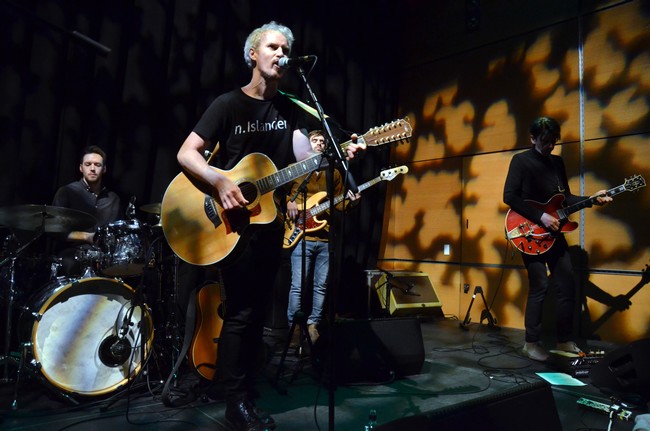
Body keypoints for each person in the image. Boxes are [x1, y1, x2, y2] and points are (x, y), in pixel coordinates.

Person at [175, 22, 364, 431]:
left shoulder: (294, 108)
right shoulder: (228, 105)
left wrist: (341, 154)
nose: (281, 53)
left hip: (267, 223)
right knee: (242, 313)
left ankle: (236, 390)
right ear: (253, 55)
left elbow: (301, 161)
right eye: (273, 47)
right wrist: (222, 181)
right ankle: (235, 402)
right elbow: (186, 154)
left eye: (286, 48)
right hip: (228, 222)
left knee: (256, 312)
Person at [503, 116, 612, 362]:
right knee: (540, 286)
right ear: (532, 139)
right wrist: (540, 216)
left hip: (554, 234)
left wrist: (591, 198)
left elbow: (566, 198)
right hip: (529, 232)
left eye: (553, 142)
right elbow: (509, 196)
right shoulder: (520, 161)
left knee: (567, 284)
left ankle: (564, 340)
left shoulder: (556, 163)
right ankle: (530, 343)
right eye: (545, 142)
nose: (550, 146)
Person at [285, 130, 360, 346]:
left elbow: (339, 203)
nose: (319, 144)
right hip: (300, 236)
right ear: (307, 145)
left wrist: (352, 201)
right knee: (298, 286)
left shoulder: (333, 173)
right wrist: (289, 202)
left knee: (321, 285)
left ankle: (313, 324)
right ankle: (294, 328)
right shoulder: (296, 169)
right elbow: (279, 194)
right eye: (315, 141)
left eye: (322, 141)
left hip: (325, 236)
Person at [52, 145, 121, 276]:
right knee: (69, 264)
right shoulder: (67, 192)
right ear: (81, 168)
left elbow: (118, 233)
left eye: (97, 165)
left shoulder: (113, 199)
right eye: (88, 164)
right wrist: (86, 237)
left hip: (104, 258)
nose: (93, 168)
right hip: (72, 254)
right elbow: (55, 230)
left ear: (104, 169)